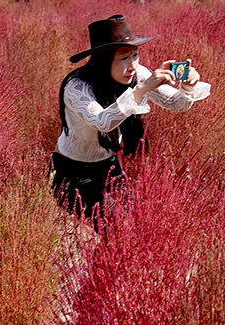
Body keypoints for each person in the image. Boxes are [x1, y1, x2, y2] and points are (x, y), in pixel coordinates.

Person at [51, 14, 210, 220]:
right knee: (114, 224)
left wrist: (187, 87)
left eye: (135, 55)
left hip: (109, 167)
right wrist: (142, 89)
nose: (133, 65)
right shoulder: (78, 86)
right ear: (104, 60)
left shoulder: (136, 75)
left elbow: (174, 104)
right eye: (124, 57)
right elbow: (102, 122)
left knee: (136, 224)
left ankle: (101, 254)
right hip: (72, 173)